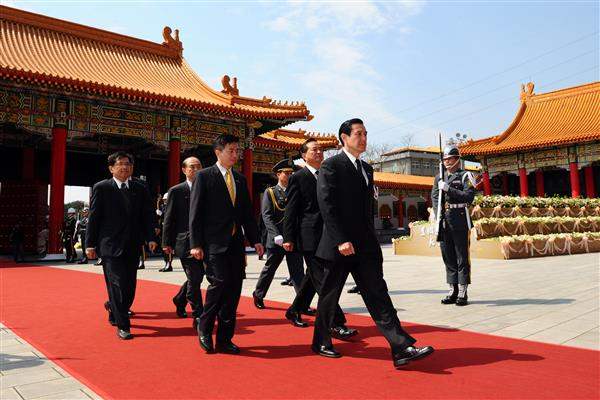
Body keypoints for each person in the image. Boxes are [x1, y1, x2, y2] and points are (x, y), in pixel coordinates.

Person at [314, 118, 434, 369]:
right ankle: (321, 341)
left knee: (378, 294)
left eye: (366, 134)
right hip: (340, 245)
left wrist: (373, 243)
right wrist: (340, 239)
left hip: (365, 246)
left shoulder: (367, 169)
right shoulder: (331, 165)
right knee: (329, 295)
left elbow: (367, 211)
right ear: (344, 138)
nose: (364, 138)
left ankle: (401, 347)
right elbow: (327, 205)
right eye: (358, 134)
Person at [189, 134, 264, 354]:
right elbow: (195, 213)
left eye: (237, 150)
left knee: (234, 289)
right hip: (213, 243)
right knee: (219, 283)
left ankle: (224, 339)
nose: (235, 154)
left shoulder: (240, 179)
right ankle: (204, 326)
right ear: (218, 152)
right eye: (231, 150)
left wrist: (256, 240)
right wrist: (196, 244)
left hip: (235, 244)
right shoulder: (204, 176)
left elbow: (247, 213)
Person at [282, 138, 358, 337]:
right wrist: (288, 237)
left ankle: (294, 310)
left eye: (321, 149)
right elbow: (291, 210)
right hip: (309, 236)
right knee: (324, 281)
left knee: (313, 278)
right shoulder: (298, 177)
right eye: (314, 150)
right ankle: (335, 323)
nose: (318, 152)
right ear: (303, 155)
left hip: (329, 235)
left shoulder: (328, 173)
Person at [86, 151, 157, 340]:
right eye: (120, 164)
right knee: (117, 284)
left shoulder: (140, 188)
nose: (125, 167)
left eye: (128, 164)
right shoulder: (102, 188)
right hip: (110, 245)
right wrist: (90, 244)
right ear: (111, 168)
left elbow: (147, 215)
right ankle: (123, 325)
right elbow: (94, 217)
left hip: (133, 244)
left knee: (129, 286)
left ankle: (113, 307)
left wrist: (151, 237)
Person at [252, 159, 306, 310]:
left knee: (297, 271)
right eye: (286, 173)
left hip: (292, 238)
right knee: (270, 269)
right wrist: (276, 234)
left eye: (291, 173)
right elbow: (267, 216)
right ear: (278, 174)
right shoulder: (271, 192)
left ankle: (302, 302)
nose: (289, 176)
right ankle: (259, 294)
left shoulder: (296, 190)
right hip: (277, 239)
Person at [431, 145, 477, 306]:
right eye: (445, 159)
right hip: (444, 220)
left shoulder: (465, 176)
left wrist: (448, 189)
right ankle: (453, 289)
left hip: (460, 219)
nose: (447, 162)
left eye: (450, 158)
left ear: (457, 159)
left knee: (461, 256)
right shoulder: (439, 177)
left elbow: (468, 197)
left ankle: (463, 291)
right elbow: (435, 198)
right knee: (448, 255)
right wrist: (438, 216)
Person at [163, 157, 204, 323]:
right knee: (195, 278)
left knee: (198, 276)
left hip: (206, 242)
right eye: (192, 167)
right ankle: (199, 315)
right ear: (184, 170)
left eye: (199, 167)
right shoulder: (176, 191)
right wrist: (166, 242)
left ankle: (180, 299)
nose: (196, 170)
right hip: (185, 241)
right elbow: (169, 218)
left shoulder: (209, 188)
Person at [157, 193, 173, 272]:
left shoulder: (171, 206)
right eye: (164, 200)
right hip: (162, 229)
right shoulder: (162, 206)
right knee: (163, 247)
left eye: (166, 199)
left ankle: (169, 264)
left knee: (168, 247)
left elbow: (168, 215)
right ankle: (166, 262)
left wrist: (161, 213)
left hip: (169, 230)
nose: (165, 201)